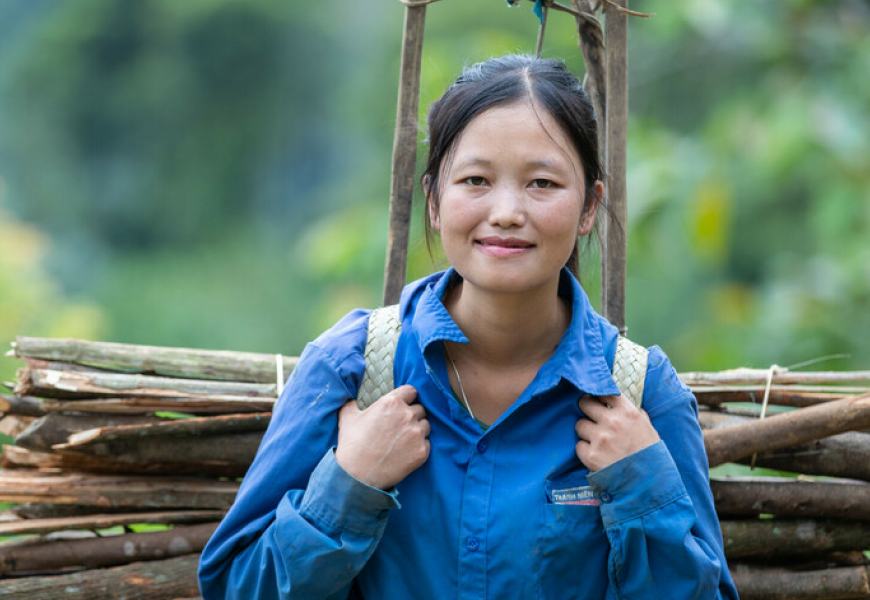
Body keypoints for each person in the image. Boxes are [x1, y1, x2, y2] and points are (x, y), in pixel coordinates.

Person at [198, 54, 739, 600]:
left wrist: (642, 487)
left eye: (543, 183)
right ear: (434, 200)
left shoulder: (642, 394)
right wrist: (349, 486)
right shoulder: (350, 369)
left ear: (589, 207)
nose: (506, 211)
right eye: (476, 179)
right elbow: (234, 587)